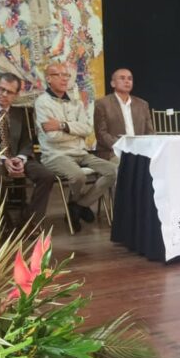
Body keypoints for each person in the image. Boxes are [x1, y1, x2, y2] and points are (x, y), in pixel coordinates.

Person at [34, 62, 117, 232]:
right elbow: (53, 137)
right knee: (78, 176)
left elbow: (87, 129)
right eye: (58, 75)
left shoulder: (75, 101)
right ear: (49, 79)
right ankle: (78, 206)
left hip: (80, 152)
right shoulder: (42, 102)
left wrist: (62, 125)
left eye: (66, 75)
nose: (64, 78)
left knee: (114, 171)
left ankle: (78, 205)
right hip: (55, 155)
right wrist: (74, 129)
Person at [0, 73, 55, 228]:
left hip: (16, 157)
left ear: (17, 95)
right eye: (1, 89)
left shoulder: (20, 113)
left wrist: (21, 158)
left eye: (9, 92)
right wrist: (4, 159)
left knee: (46, 176)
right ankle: (2, 222)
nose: (4, 94)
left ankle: (30, 221)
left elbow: (27, 141)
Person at [93, 68, 154, 162]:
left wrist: (144, 147)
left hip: (139, 150)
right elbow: (101, 135)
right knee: (127, 163)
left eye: (130, 79)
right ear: (113, 83)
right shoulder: (102, 104)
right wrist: (123, 147)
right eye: (122, 78)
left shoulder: (142, 104)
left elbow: (150, 132)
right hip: (113, 151)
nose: (127, 81)